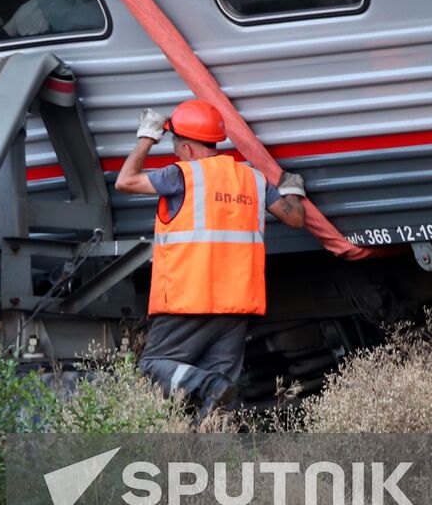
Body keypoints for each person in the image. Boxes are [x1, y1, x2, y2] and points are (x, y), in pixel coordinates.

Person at [114, 101, 307, 413]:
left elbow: (125, 181)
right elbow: (296, 219)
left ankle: (206, 385)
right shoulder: (254, 180)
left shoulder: (181, 175)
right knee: (220, 400)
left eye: (177, 148)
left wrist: (147, 138)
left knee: (152, 367)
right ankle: (218, 453)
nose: (177, 154)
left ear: (188, 148)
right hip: (236, 304)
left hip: (187, 299)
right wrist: (293, 193)